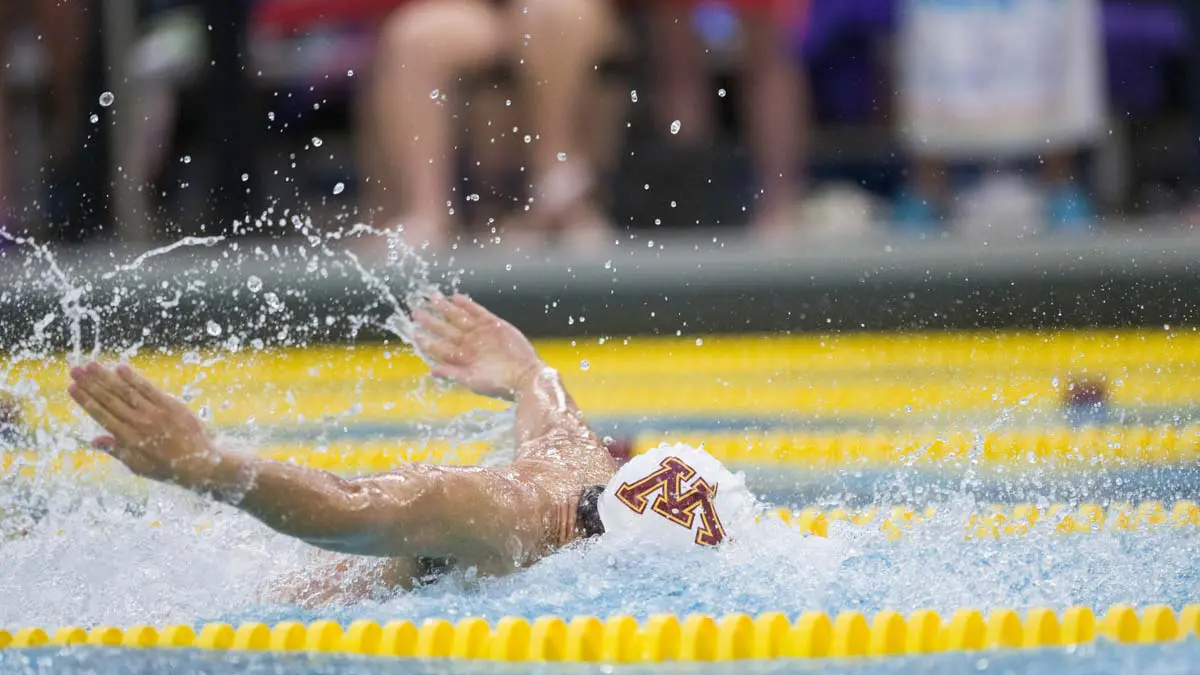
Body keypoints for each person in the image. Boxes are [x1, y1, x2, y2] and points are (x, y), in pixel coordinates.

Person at [67, 294, 754, 600]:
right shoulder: (504, 516)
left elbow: (554, 411)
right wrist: (208, 466)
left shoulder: (591, 472)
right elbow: (354, 506)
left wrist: (522, 370)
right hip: (314, 605)